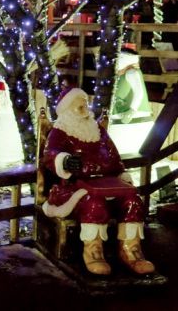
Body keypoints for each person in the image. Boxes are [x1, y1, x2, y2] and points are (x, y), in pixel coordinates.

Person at [42, 87, 155, 276]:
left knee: (133, 201)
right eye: (79, 106)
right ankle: (93, 251)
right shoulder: (59, 132)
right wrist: (65, 160)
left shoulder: (98, 130)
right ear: (67, 109)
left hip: (109, 184)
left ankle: (130, 250)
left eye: (85, 104)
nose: (84, 108)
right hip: (76, 188)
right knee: (94, 204)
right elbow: (49, 155)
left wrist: (121, 174)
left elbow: (113, 154)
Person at [108, 47, 153, 154]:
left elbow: (139, 92)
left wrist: (132, 110)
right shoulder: (121, 74)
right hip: (120, 116)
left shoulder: (132, 72)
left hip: (133, 117)